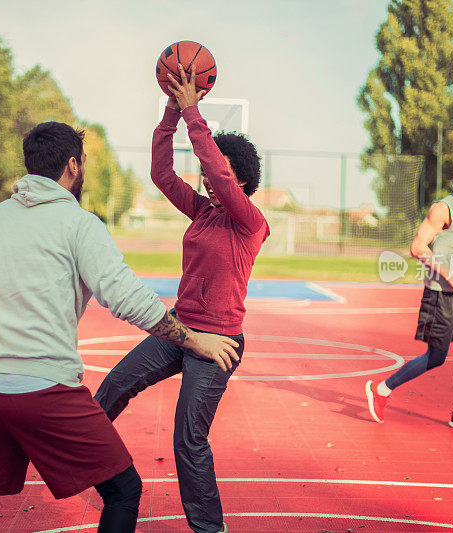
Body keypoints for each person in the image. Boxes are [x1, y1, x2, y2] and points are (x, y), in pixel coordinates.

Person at [0, 121, 240, 533]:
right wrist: (193, 340)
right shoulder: (79, 224)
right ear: (73, 166)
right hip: (43, 386)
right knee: (124, 491)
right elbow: (130, 299)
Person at [95, 64, 269, 533]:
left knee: (188, 439)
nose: (212, 180)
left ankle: (209, 529)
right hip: (180, 330)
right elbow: (162, 173)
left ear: (242, 179)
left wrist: (194, 113)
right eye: (211, 174)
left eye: (224, 174)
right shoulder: (202, 211)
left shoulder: (249, 222)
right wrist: (170, 115)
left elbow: (216, 168)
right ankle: (97, 477)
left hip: (220, 343)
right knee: (108, 393)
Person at [366, 155, 453, 431]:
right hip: (440, 291)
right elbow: (417, 248)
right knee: (436, 357)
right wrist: (449, 273)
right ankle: (382, 390)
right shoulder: (442, 209)